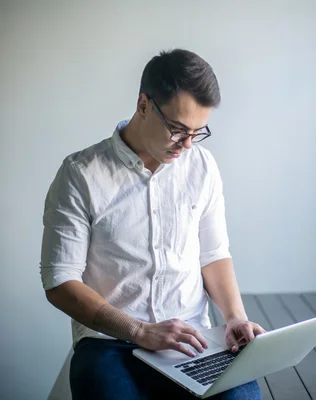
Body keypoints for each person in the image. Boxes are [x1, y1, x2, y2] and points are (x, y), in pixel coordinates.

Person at [40, 49, 265, 400]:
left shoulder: (202, 167)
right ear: (143, 104)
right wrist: (138, 330)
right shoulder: (80, 175)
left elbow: (214, 254)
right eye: (177, 129)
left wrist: (234, 316)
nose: (187, 145)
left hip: (192, 340)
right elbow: (59, 280)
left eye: (198, 132)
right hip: (108, 345)